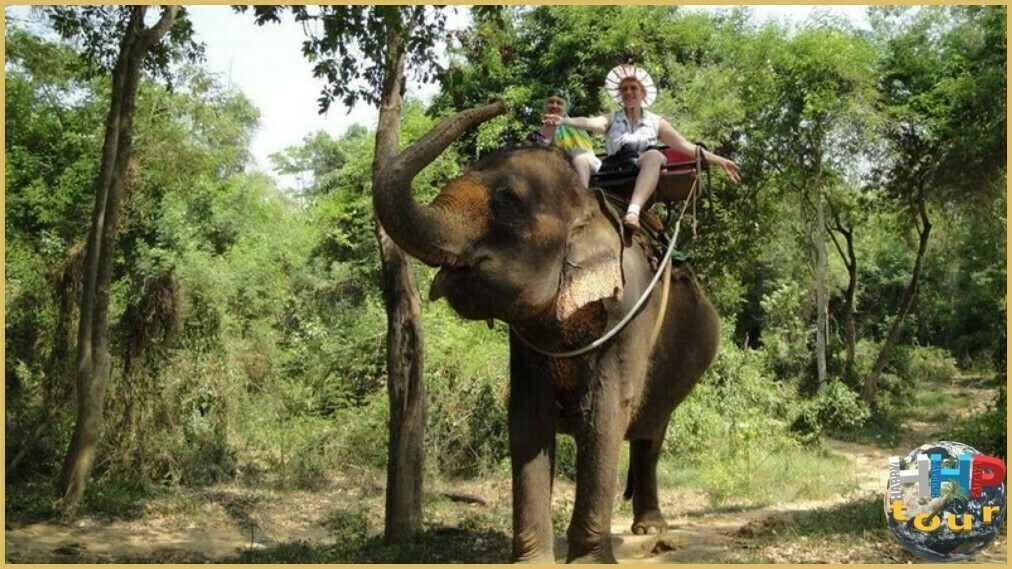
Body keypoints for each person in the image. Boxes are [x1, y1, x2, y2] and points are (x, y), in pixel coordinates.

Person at [544, 63, 740, 231]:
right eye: (624, 89)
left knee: (654, 155)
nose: (629, 93)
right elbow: (589, 122)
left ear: (642, 93)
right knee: (579, 155)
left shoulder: (656, 121)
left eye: (633, 88)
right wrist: (565, 121)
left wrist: (720, 161)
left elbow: (684, 146)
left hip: (639, 163)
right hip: (612, 167)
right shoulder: (612, 118)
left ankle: (633, 211)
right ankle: (580, 206)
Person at [525, 88, 602, 188]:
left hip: (576, 171)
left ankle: (582, 195)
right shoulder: (533, 136)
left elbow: (586, 155)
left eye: (559, 103)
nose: (554, 105)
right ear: (545, 106)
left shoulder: (576, 127)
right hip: (545, 178)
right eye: (551, 102)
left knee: (578, 154)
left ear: (565, 108)